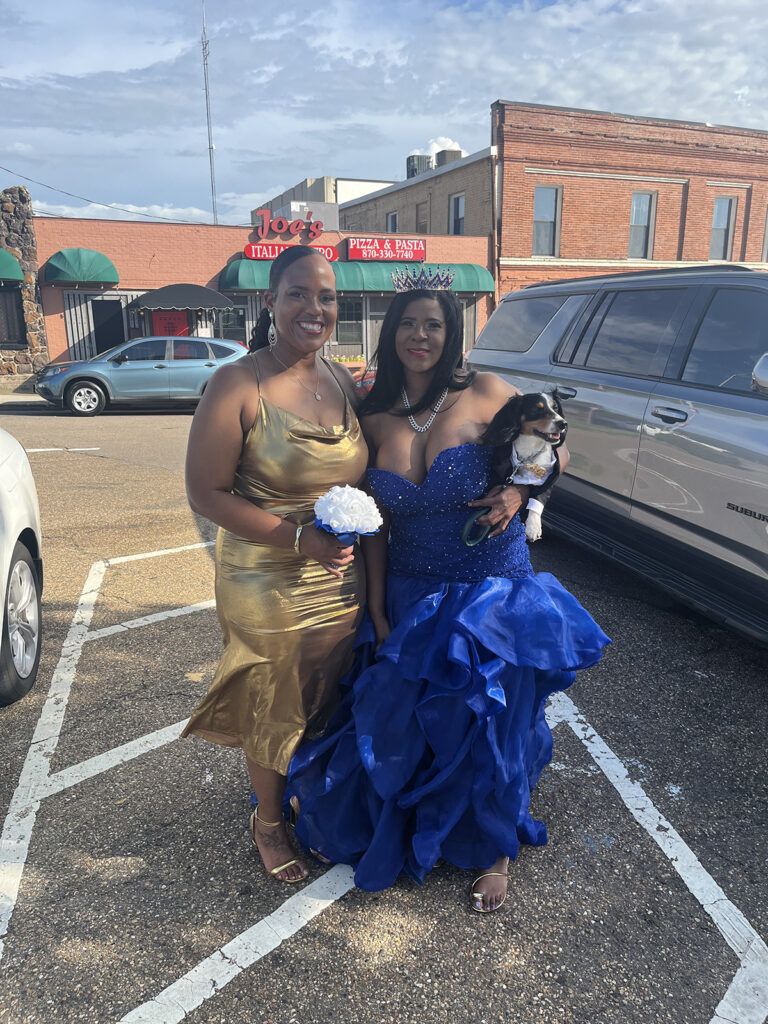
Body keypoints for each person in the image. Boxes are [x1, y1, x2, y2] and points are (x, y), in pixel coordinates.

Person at [287, 285, 609, 911]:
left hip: (493, 591)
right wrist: (378, 611)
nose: (420, 336)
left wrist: (521, 493)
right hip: (411, 593)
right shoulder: (371, 414)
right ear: (391, 333)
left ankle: (494, 849)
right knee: (403, 718)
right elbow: (373, 526)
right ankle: (413, 819)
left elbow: (556, 442)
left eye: (434, 325)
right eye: (408, 324)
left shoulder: (486, 393)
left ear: (450, 333)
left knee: (494, 725)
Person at [182, 245, 368, 883]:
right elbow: (205, 492)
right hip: (266, 575)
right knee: (272, 695)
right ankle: (267, 819)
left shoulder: (342, 379)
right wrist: (297, 540)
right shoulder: (239, 382)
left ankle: (305, 790)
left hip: (339, 576)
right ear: (270, 301)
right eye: (298, 294)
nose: (314, 309)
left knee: (325, 693)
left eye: (327, 297)